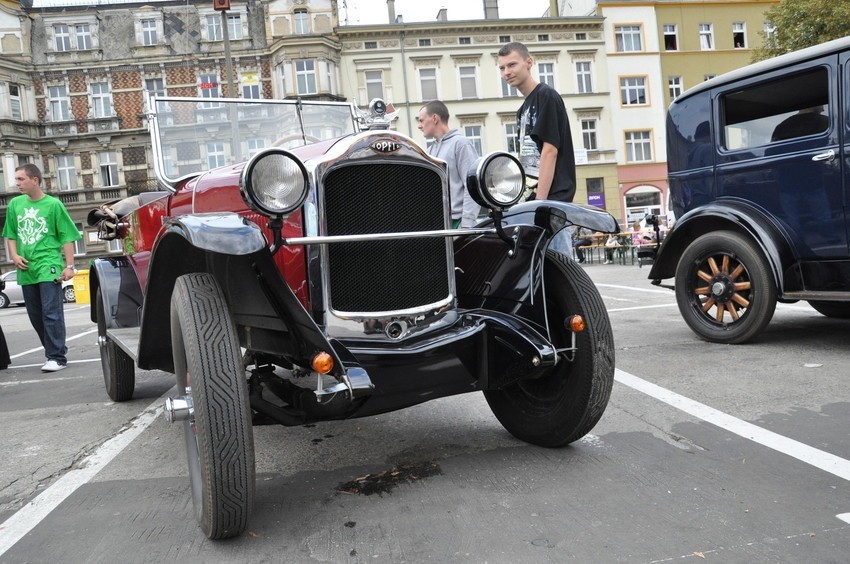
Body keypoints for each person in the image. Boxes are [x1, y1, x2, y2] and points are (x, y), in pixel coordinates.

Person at [3, 164, 80, 372]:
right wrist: (15, 255)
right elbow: (10, 234)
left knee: (51, 312)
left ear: (34, 180)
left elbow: (67, 237)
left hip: (49, 264)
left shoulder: (53, 205)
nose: (16, 183)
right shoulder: (15, 205)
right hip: (26, 267)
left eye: (20, 179)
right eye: (16, 179)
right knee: (35, 314)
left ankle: (56, 357)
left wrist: (69, 266)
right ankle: (55, 349)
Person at [498, 41, 576, 203]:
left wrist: (540, 202)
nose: (507, 72)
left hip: (552, 198)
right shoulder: (522, 110)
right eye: (502, 68)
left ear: (529, 63)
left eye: (512, 65)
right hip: (531, 197)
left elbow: (549, 151)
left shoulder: (546, 96)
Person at [417, 100, 480, 228]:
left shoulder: (461, 144)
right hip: (437, 224)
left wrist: (467, 224)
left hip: (457, 223)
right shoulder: (429, 151)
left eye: (421, 120)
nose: (419, 125)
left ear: (435, 118)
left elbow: (472, 186)